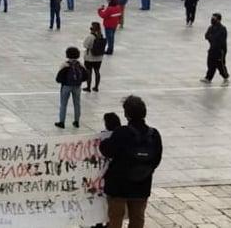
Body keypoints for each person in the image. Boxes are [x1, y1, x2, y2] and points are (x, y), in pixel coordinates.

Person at [99, 96, 163, 228]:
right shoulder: (154, 134)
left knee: (115, 218)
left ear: (126, 114)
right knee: (137, 219)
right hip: (142, 184)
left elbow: (107, 150)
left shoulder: (122, 133)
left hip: (119, 186)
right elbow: (157, 159)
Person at [54, 47, 88, 128]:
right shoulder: (80, 64)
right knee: (77, 104)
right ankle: (76, 121)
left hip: (66, 86)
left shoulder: (65, 64)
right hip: (77, 87)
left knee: (63, 105)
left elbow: (58, 78)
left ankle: (62, 122)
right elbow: (85, 76)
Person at [201, 13, 229, 85]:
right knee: (210, 64)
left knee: (220, 65)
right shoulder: (211, 27)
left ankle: (226, 78)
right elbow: (206, 36)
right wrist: (212, 37)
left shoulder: (222, 29)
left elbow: (218, 39)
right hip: (212, 48)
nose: (212, 19)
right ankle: (208, 78)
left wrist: (212, 37)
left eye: (214, 18)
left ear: (218, 20)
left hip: (220, 50)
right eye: (212, 18)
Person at [82, 22, 105, 92]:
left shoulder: (90, 36)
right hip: (99, 57)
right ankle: (96, 87)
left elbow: (85, 45)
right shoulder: (101, 36)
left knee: (89, 72)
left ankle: (88, 87)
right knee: (97, 71)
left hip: (90, 57)